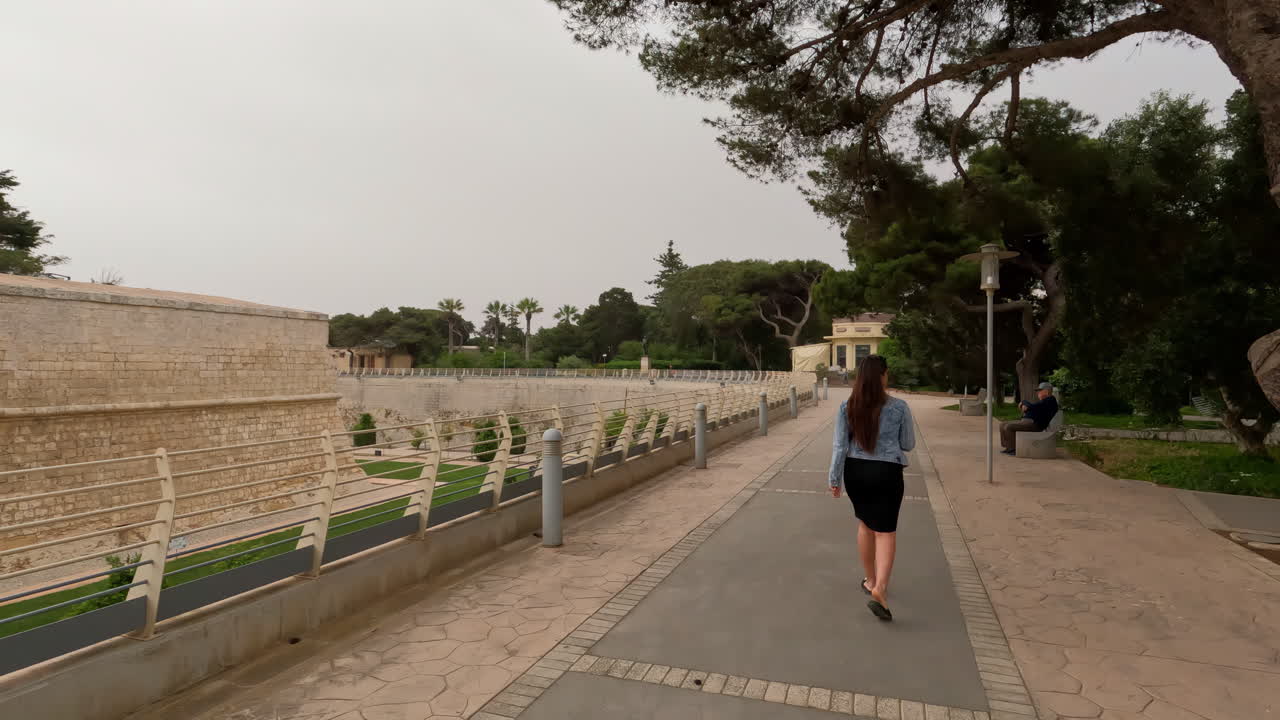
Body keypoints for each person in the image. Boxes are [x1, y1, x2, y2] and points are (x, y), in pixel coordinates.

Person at [828, 354, 915, 622]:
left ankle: (870, 579)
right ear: (883, 376)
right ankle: (880, 588)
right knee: (886, 532)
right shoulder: (900, 407)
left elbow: (840, 446)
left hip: (855, 471)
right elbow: (908, 443)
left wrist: (834, 478)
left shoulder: (847, 406)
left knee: (866, 524)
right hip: (887, 471)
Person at [999, 382, 1059, 455]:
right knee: (1002, 424)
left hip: (1034, 424)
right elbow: (1032, 408)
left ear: (1046, 391)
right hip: (1028, 421)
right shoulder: (1044, 401)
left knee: (1009, 427)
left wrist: (1023, 403)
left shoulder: (1050, 400)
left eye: (1039, 391)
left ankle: (1013, 449)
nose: (1038, 393)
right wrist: (1024, 406)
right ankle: (1008, 447)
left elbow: (1031, 407)